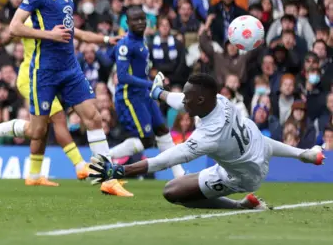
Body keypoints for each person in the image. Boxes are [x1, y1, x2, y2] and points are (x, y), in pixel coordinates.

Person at [0, 0, 127, 196]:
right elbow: (13, 28)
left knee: (94, 118)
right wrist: (49, 35)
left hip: (70, 69)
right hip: (43, 72)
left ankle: (106, 179)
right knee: (37, 130)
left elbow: (73, 32)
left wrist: (105, 39)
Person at [89, 72, 325, 209]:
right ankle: (303, 154)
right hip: (257, 146)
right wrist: (158, 94)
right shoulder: (220, 100)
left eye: (190, 99)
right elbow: (182, 100)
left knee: (173, 192)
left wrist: (121, 169)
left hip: (244, 175)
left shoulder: (207, 136)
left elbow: (163, 160)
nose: (185, 104)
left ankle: (241, 206)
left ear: (201, 100)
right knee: (259, 142)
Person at [0, 16, 121, 186]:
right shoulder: (30, 23)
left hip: (47, 79)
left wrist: (107, 39)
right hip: (31, 79)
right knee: (57, 119)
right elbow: (8, 34)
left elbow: (81, 35)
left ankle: (34, 175)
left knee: (40, 128)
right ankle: (80, 165)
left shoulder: (54, 18)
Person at [104, 6, 186, 197]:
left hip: (144, 94)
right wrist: (149, 83)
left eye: (142, 19)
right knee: (146, 140)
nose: (140, 22)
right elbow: (122, 76)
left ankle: (179, 175)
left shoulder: (142, 40)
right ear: (127, 23)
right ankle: (103, 158)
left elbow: (109, 56)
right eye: (135, 20)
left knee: (163, 131)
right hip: (129, 96)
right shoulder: (126, 44)